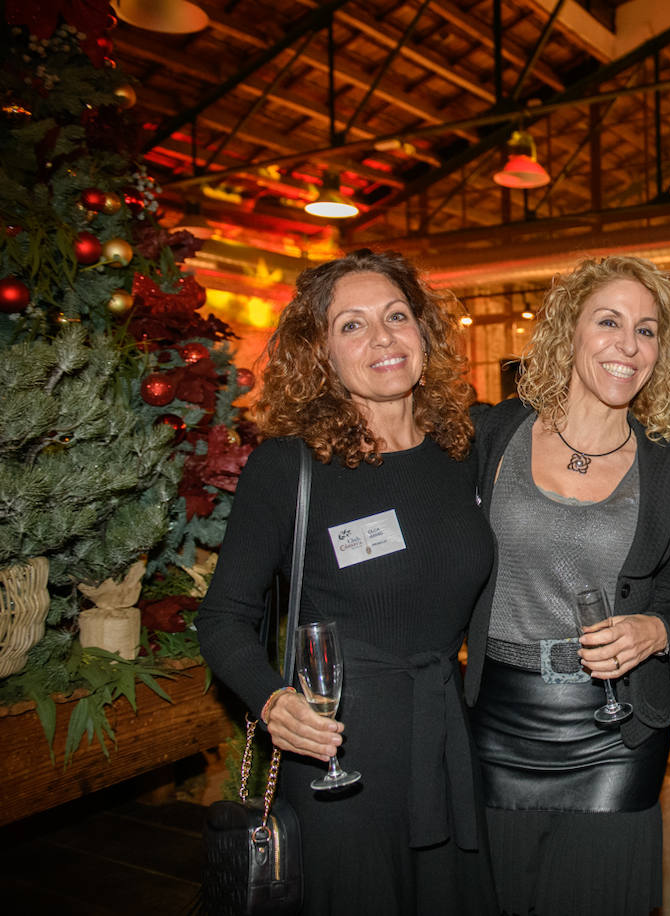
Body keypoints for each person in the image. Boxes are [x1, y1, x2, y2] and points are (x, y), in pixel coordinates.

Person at [197, 250, 497, 915]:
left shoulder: (461, 451)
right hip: (341, 757)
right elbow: (222, 618)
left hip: (446, 742)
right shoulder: (289, 467)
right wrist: (273, 702)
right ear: (322, 355)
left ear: (424, 331)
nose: (383, 337)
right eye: (352, 325)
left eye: (396, 316)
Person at [465, 255, 670, 916]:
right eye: (609, 321)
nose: (629, 344)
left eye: (648, 330)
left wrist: (653, 629)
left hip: (615, 728)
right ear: (569, 332)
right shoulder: (489, 438)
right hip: (495, 720)